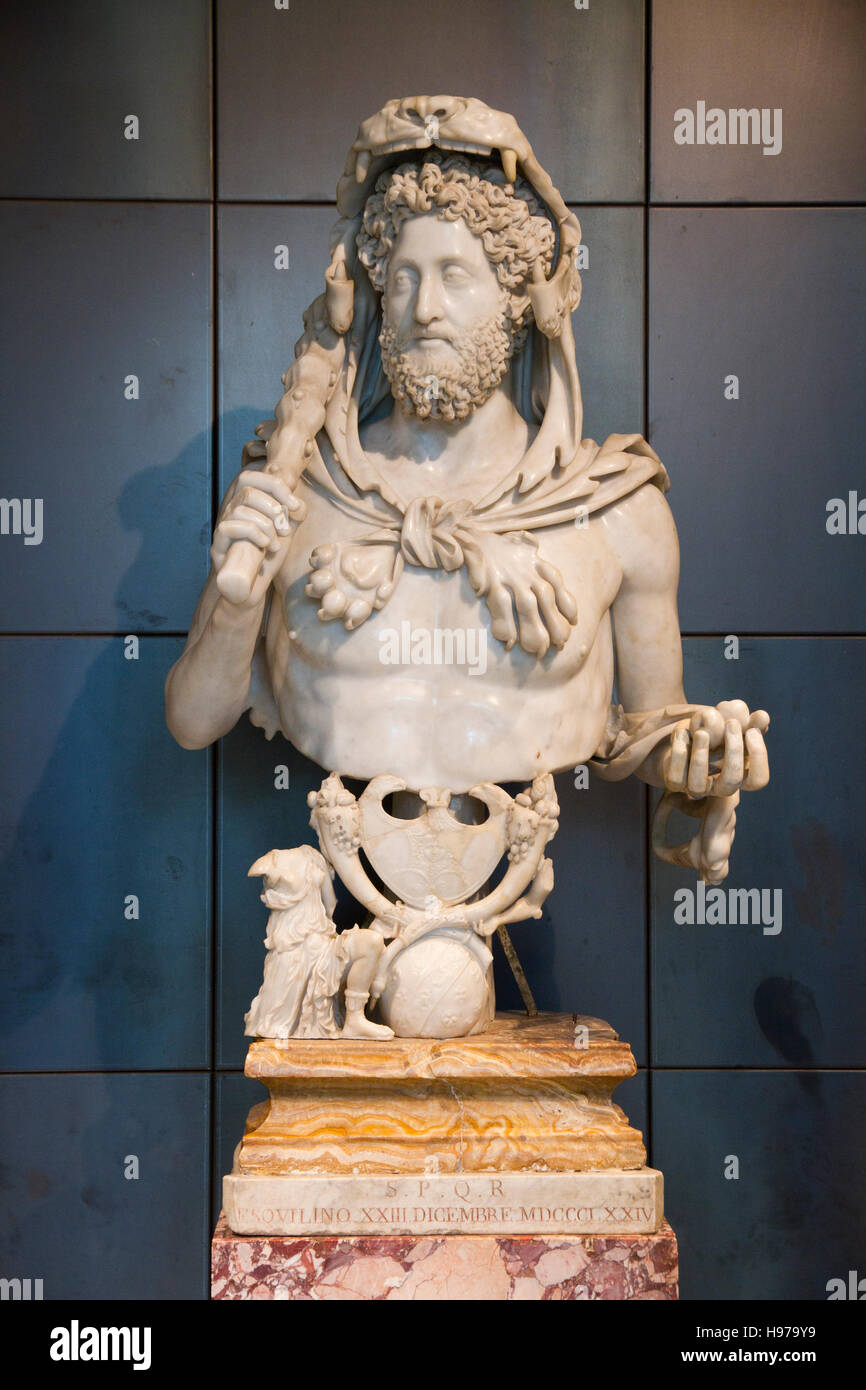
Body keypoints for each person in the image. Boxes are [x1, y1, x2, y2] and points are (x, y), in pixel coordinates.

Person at [166, 96, 768, 887]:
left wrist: (701, 764)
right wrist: (236, 601)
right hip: (335, 904)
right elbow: (192, 718)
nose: (425, 310)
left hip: (515, 891)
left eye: (456, 276)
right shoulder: (295, 486)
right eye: (404, 278)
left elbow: (651, 730)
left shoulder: (615, 509)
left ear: (520, 298)